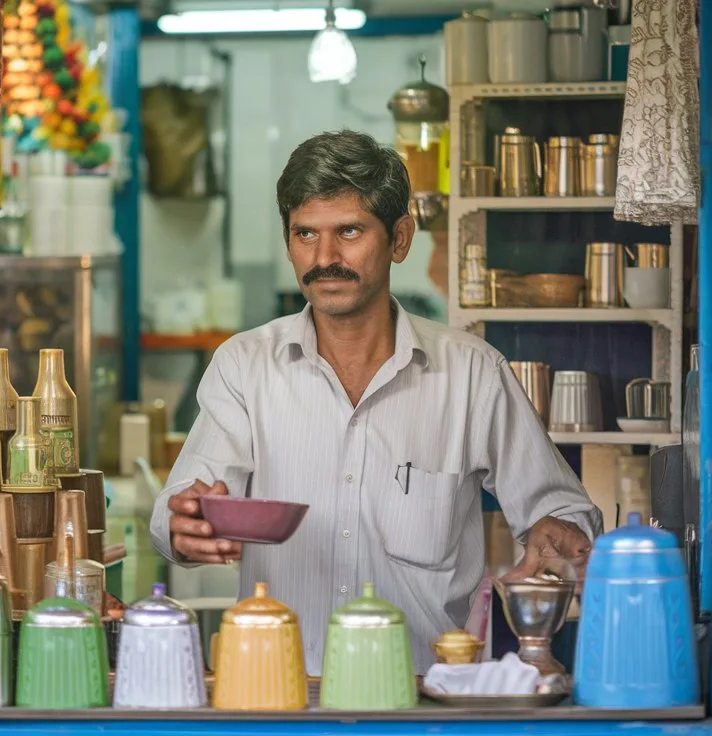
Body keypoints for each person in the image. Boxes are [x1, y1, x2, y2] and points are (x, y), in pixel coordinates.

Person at [149, 129, 602, 675]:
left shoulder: (471, 373)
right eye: (305, 234)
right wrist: (185, 524)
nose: (324, 258)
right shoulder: (244, 366)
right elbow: (186, 501)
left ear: (400, 238)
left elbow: (562, 510)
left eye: (349, 231)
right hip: (281, 691)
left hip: (423, 694)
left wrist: (561, 534)